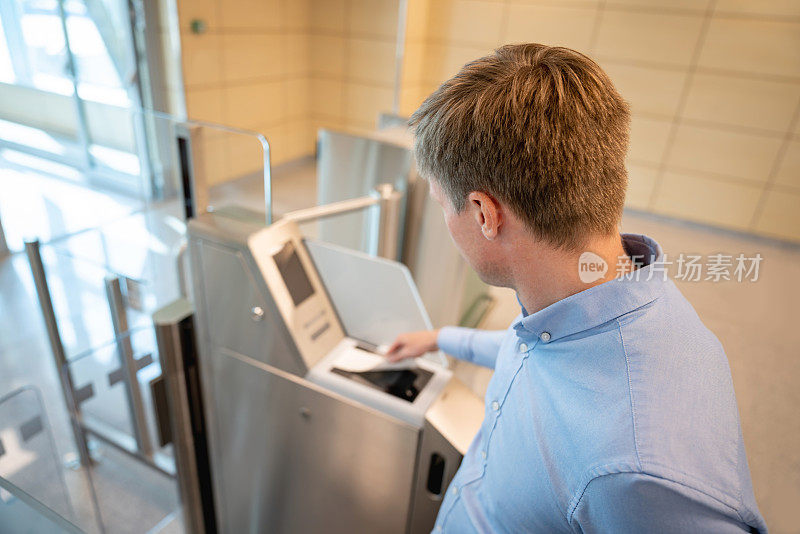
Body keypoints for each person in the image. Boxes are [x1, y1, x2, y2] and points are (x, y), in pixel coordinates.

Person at [385, 43, 767, 533]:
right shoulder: (584, 295)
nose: (444, 218)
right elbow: (533, 356)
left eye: (443, 204)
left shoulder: (636, 470)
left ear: (485, 214)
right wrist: (441, 338)